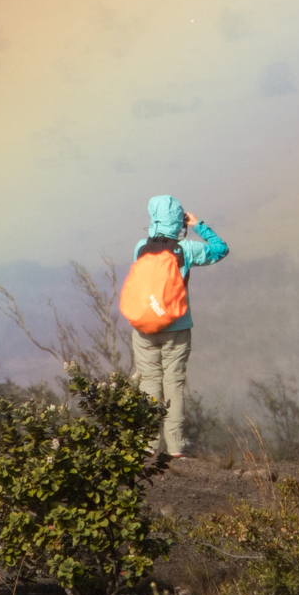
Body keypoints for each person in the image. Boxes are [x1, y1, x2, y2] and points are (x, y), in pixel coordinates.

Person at [128, 194, 228, 462]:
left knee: (149, 382)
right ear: (179, 220)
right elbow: (220, 249)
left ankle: (148, 445)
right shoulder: (187, 248)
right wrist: (198, 224)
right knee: (173, 384)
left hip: (144, 327)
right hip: (177, 327)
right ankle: (175, 448)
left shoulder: (140, 247)